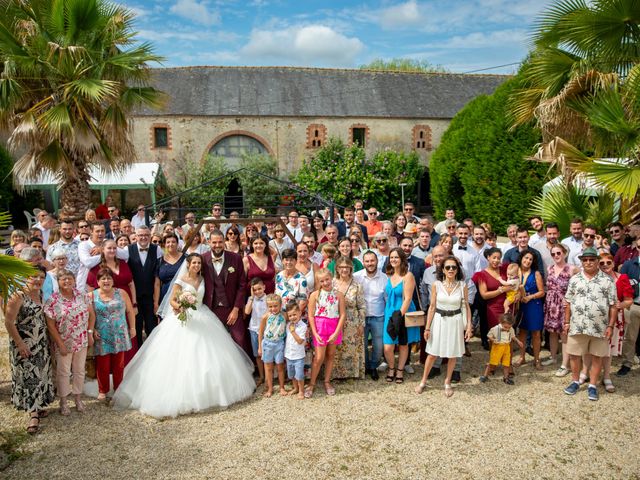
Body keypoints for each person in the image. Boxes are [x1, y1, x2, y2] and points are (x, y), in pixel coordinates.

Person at [112, 253, 255, 417]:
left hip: (202, 316)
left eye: (199, 263)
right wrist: (180, 306)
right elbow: (172, 300)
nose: (196, 265)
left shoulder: (203, 280)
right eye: (194, 263)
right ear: (188, 264)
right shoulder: (181, 280)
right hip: (182, 318)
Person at [4, 266, 55, 434]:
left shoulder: (40, 295)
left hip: (41, 343)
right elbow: (9, 322)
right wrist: (20, 343)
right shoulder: (18, 296)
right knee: (28, 377)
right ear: (26, 277)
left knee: (41, 375)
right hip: (24, 344)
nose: (38, 280)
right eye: (34, 276)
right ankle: (33, 414)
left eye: (41, 277)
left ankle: (39, 405)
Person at [563, 247, 617, 401]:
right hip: (577, 325)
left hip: (599, 327)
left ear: (597, 261)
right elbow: (567, 302)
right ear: (581, 261)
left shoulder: (608, 280)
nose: (588, 262)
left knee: (597, 356)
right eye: (585, 260)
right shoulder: (574, 279)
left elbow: (613, 305)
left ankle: (592, 385)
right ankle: (574, 381)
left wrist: (610, 326)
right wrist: (566, 322)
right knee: (574, 355)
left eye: (592, 259)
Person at [415, 255, 472, 397]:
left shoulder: (462, 285)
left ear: (458, 269)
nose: (451, 269)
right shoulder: (436, 285)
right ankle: (423, 381)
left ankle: (447, 382)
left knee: (453, 354)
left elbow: (466, 306)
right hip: (439, 320)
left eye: (454, 267)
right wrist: (427, 327)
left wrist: (469, 326)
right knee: (433, 353)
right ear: (443, 270)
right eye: (448, 267)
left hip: (456, 321)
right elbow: (432, 307)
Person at [44, 270, 92, 415]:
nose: (67, 281)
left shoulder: (82, 296)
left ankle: (77, 398)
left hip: (81, 340)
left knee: (79, 371)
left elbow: (92, 315)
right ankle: (63, 401)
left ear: (74, 280)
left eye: (69, 278)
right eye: (63, 279)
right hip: (63, 342)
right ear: (58, 282)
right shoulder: (53, 300)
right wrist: (61, 344)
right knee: (63, 372)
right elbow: (51, 326)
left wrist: (89, 333)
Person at [90, 268, 135, 400]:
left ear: (113, 280)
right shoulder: (91, 296)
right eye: (103, 278)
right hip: (101, 334)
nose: (106, 281)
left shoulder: (121, 293)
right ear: (97, 281)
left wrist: (132, 328)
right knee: (102, 364)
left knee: (119, 364)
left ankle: (118, 388)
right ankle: (103, 390)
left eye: (109, 278)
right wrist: (92, 330)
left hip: (119, 333)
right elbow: (88, 315)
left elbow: (130, 311)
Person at [200, 230, 248, 352]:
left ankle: (240, 370)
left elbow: (242, 285)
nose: (217, 245)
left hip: (232, 308)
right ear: (209, 242)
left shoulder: (236, 258)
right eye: (214, 242)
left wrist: (236, 309)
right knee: (212, 342)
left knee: (240, 339)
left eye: (220, 242)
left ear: (224, 242)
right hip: (211, 308)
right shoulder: (202, 259)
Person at [305, 269, 346, 398]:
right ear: (319, 282)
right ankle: (312, 383)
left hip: (334, 328)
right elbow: (311, 315)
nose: (325, 282)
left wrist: (337, 332)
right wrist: (315, 332)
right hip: (320, 328)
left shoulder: (339, 295)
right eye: (322, 281)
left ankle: (327, 381)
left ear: (331, 278)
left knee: (331, 354)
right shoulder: (315, 295)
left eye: (327, 279)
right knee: (318, 357)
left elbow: (343, 314)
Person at [382, 248, 420, 384]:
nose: (393, 260)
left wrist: (398, 316)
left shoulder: (408, 275)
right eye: (391, 257)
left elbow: (408, 298)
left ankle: (400, 370)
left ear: (402, 259)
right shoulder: (388, 274)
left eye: (396, 257)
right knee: (388, 346)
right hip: (389, 312)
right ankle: (391, 367)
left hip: (402, 312)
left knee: (403, 344)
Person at [597, 253, 633, 392]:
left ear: (613, 263)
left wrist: (620, 305)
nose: (605, 265)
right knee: (594, 347)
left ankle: (606, 377)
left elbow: (629, 299)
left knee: (608, 350)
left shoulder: (621, 278)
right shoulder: (596, 279)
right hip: (597, 318)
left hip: (615, 319)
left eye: (608, 262)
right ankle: (591, 374)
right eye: (602, 263)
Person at [543, 243, 579, 374]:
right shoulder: (549, 268)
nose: (556, 256)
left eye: (558, 253)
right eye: (553, 254)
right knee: (552, 332)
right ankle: (553, 357)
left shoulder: (572, 269)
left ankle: (565, 365)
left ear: (564, 253)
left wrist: (571, 299)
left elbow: (580, 285)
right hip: (551, 304)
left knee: (564, 335)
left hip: (564, 305)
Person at [354, 251, 388, 380]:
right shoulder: (356, 277)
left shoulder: (384, 278)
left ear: (377, 261)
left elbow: (386, 299)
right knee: (362, 344)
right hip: (361, 317)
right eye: (367, 261)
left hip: (378, 316)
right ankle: (366, 367)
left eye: (372, 261)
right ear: (363, 262)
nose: (370, 263)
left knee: (378, 345)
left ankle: (374, 366)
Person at [332, 256, 366, 380]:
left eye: (347, 267)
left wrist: (361, 324)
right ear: (337, 268)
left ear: (351, 268)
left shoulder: (357, 285)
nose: (344, 270)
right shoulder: (331, 283)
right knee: (336, 348)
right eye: (341, 267)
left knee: (351, 348)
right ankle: (336, 374)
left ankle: (351, 374)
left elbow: (361, 306)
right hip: (334, 320)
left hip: (352, 321)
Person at [127, 226, 161, 345]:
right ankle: (137, 356)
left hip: (151, 296)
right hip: (134, 297)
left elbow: (158, 276)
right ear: (135, 237)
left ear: (150, 236)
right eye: (140, 235)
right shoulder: (128, 250)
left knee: (152, 327)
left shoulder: (157, 249)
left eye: (146, 235)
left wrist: (156, 301)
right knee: (136, 327)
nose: (143, 237)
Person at [514, 250, 545, 368]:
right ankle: (522, 357)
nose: (528, 261)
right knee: (522, 331)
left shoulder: (536, 273)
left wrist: (530, 297)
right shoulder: (515, 271)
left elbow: (542, 292)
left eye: (530, 259)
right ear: (521, 258)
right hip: (520, 306)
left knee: (536, 333)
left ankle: (537, 359)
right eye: (526, 258)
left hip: (533, 305)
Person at [474, 247, 509, 349]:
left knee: (508, 334)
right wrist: (501, 290)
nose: (496, 260)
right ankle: (494, 360)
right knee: (496, 335)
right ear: (488, 257)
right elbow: (484, 295)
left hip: (507, 306)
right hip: (493, 308)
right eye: (494, 257)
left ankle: (506, 359)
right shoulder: (482, 275)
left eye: (498, 258)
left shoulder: (505, 270)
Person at [479, 313, 524, 384]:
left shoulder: (511, 329)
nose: (507, 329)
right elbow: (489, 335)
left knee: (506, 363)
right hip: (497, 347)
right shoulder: (495, 328)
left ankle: (506, 378)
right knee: (492, 362)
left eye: (509, 327)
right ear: (501, 322)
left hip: (506, 347)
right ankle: (485, 376)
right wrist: (493, 340)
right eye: (505, 327)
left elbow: (513, 336)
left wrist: (518, 341)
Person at [258, 294, 287, 397]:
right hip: (268, 344)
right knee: (269, 368)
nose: (273, 308)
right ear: (267, 306)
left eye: (275, 306)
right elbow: (260, 332)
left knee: (280, 367)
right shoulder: (265, 316)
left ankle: (282, 387)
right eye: (270, 306)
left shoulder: (284, 315)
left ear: (280, 305)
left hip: (279, 343)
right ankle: (270, 389)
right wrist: (260, 347)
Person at [618, 246, 640, 376]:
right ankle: (627, 363)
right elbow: (621, 284)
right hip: (634, 304)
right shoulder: (629, 264)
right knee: (630, 337)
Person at [153, 233, 185, 318]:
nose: (170, 244)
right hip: (164, 297)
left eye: (173, 242)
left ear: (178, 244)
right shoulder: (159, 261)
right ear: (164, 244)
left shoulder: (185, 258)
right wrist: (156, 303)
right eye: (168, 242)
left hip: (182, 296)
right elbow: (157, 284)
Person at [245, 278, 268, 386]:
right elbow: (247, 311)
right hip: (254, 329)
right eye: (255, 290)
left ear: (264, 287)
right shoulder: (251, 299)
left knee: (267, 354)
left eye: (259, 289)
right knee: (257, 355)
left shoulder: (268, 299)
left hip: (265, 330)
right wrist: (251, 297)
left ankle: (269, 377)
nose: (257, 291)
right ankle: (262, 376)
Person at [284, 302, 307, 399]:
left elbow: (300, 341)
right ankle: (295, 388)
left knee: (299, 375)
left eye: (294, 314)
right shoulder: (288, 324)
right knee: (292, 374)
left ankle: (301, 390)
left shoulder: (303, 326)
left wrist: (293, 331)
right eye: (290, 315)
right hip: (289, 355)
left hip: (298, 356)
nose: (292, 317)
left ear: (299, 313)